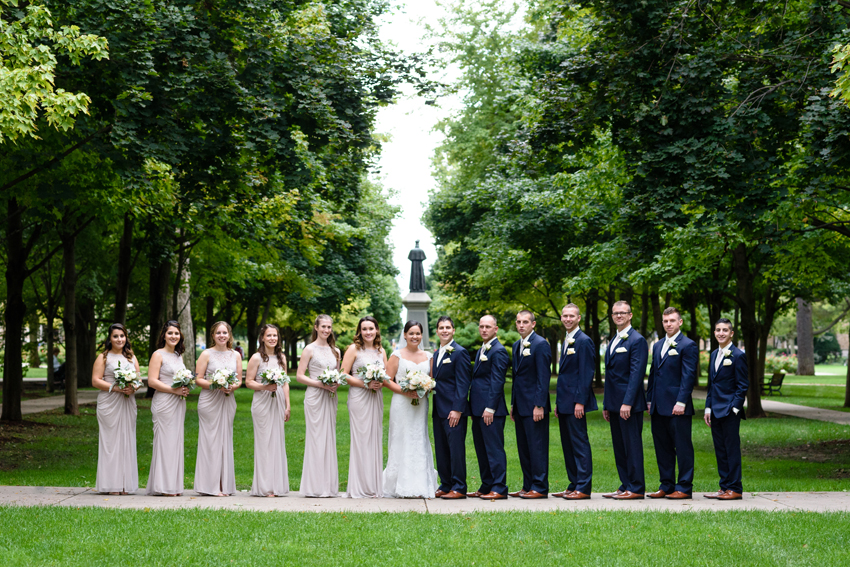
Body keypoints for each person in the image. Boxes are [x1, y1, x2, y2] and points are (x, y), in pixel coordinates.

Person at [646, 307, 698, 500]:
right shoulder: (658, 345)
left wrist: (681, 401)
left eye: (672, 321)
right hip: (658, 406)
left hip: (678, 406)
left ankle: (684, 486)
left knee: (682, 447)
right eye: (666, 321)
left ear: (680, 322)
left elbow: (688, 376)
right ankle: (666, 485)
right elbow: (653, 375)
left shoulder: (688, 345)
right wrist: (649, 399)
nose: (668, 324)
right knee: (663, 447)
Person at [383, 320, 438, 498]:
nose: (415, 336)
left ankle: (421, 483)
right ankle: (398, 484)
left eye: (418, 333)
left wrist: (424, 388)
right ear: (405, 335)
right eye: (411, 333)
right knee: (401, 437)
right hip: (401, 403)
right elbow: (387, 379)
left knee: (418, 437)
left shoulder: (429, 356)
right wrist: (405, 392)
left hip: (420, 404)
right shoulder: (397, 355)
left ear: (422, 335)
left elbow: (432, 380)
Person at [602, 300, 648, 500]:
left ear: (630, 315)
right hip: (613, 404)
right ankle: (625, 484)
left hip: (628, 404)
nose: (618, 316)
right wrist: (606, 404)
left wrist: (627, 403)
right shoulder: (614, 340)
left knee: (632, 446)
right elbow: (611, 376)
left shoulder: (637, 340)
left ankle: (636, 487)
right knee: (619, 446)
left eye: (622, 313)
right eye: (615, 313)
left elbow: (636, 374)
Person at [553, 304, 597, 500]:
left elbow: (586, 374)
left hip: (576, 403)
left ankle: (584, 487)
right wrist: (558, 403)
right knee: (568, 445)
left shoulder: (584, 341)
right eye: (565, 316)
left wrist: (580, 401)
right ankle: (573, 483)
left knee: (579, 444)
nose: (568, 319)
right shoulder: (567, 339)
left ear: (579, 318)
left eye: (572, 316)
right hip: (564, 402)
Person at [341, 316, 388, 498]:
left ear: (376, 330)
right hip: (359, 398)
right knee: (360, 440)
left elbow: (385, 376)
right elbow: (343, 375)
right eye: (364, 329)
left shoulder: (380, 351)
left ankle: (373, 486)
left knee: (374, 439)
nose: (368, 332)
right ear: (359, 331)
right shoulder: (354, 349)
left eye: (371, 328)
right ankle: (359, 486)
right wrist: (365, 384)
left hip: (375, 398)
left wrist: (379, 383)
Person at [91, 323, 141, 495]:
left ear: (126, 338)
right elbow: (96, 381)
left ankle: (125, 484)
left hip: (128, 402)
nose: (119, 339)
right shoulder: (103, 357)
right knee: (111, 443)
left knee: (126, 441)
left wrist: (133, 388)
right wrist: (116, 387)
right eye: (115, 336)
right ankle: (111, 485)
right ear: (110, 339)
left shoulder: (131, 358)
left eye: (122, 336)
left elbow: (139, 380)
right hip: (110, 402)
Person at [194, 321, 242, 496]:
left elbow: (239, 380)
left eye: (225, 332)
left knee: (224, 440)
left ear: (229, 335)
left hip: (227, 400)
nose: (222, 335)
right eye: (218, 333)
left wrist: (232, 387)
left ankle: (224, 485)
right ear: (213, 335)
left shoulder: (235, 355)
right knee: (210, 441)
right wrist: (215, 385)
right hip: (209, 400)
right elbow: (197, 379)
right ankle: (209, 486)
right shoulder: (206, 354)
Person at [296, 314, 341, 497]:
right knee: (315, 438)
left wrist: (335, 383)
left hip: (330, 397)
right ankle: (313, 487)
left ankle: (328, 487)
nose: (326, 330)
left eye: (329, 327)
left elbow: (337, 374)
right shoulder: (309, 349)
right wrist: (320, 384)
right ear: (316, 327)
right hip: (315, 396)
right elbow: (300, 376)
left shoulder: (336, 351)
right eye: (323, 326)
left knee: (328, 438)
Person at [704, 318, 748, 500]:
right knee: (720, 450)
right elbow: (711, 385)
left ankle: (735, 488)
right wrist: (708, 408)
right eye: (718, 329)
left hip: (729, 411)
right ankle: (724, 487)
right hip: (715, 410)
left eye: (725, 330)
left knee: (731, 449)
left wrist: (734, 409)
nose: (721, 333)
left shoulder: (738, 355)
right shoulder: (714, 354)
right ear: (714, 333)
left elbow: (743, 386)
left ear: (731, 333)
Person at [510, 310, 552, 499]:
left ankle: (540, 486)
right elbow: (517, 378)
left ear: (533, 324)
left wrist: (539, 405)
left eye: (525, 322)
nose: (521, 325)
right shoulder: (516, 345)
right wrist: (512, 404)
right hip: (520, 406)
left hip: (535, 406)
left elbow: (543, 377)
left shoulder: (541, 344)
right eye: (518, 322)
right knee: (524, 447)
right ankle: (527, 485)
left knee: (537, 447)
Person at [146, 320, 191, 496]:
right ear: (164, 335)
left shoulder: (179, 356)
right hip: (164, 402)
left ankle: (172, 485)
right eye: (170, 333)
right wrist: (174, 389)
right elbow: (152, 381)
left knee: (175, 443)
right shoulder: (158, 355)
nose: (173, 336)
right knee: (165, 442)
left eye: (176, 333)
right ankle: (162, 486)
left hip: (178, 403)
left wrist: (184, 388)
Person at [246, 324, 291, 497]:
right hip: (262, 402)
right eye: (269, 335)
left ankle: (277, 485)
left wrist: (288, 405)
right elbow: (249, 382)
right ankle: (264, 487)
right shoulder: (256, 358)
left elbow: (285, 382)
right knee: (264, 442)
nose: (272, 338)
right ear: (262, 338)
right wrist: (265, 386)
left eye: (275, 335)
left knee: (277, 442)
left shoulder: (282, 358)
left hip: (278, 401)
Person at [468, 315, 509, 500]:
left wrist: (490, 408)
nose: (484, 329)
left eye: (488, 327)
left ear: (496, 329)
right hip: (477, 409)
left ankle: (499, 487)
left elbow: (497, 380)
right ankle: (486, 485)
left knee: (494, 449)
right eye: (481, 326)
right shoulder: (482, 349)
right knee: (482, 449)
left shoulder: (498, 351)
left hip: (490, 410)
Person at [431, 316, 471, 499]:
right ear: (437, 331)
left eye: (448, 327)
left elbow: (463, 383)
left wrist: (457, 409)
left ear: (453, 330)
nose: (444, 330)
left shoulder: (460, 352)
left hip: (454, 411)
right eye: (441, 327)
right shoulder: (436, 353)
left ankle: (459, 487)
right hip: (438, 410)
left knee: (455, 450)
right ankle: (445, 484)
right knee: (441, 449)